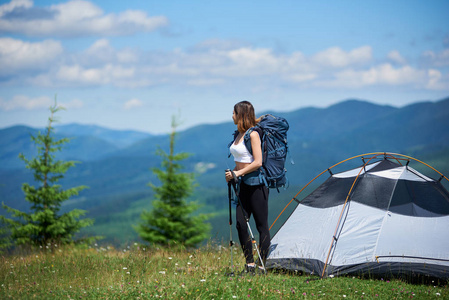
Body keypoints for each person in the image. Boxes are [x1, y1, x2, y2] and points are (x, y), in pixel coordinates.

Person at [225, 100, 270, 275]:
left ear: (241, 114)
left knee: (261, 226)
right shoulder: (238, 134)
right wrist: (233, 173)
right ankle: (249, 264)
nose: (232, 115)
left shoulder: (253, 135)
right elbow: (241, 161)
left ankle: (261, 266)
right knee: (240, 224)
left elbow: (258, 162)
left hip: (257, 186)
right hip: (242, 185)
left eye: (234, 112)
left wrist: (238, 173)